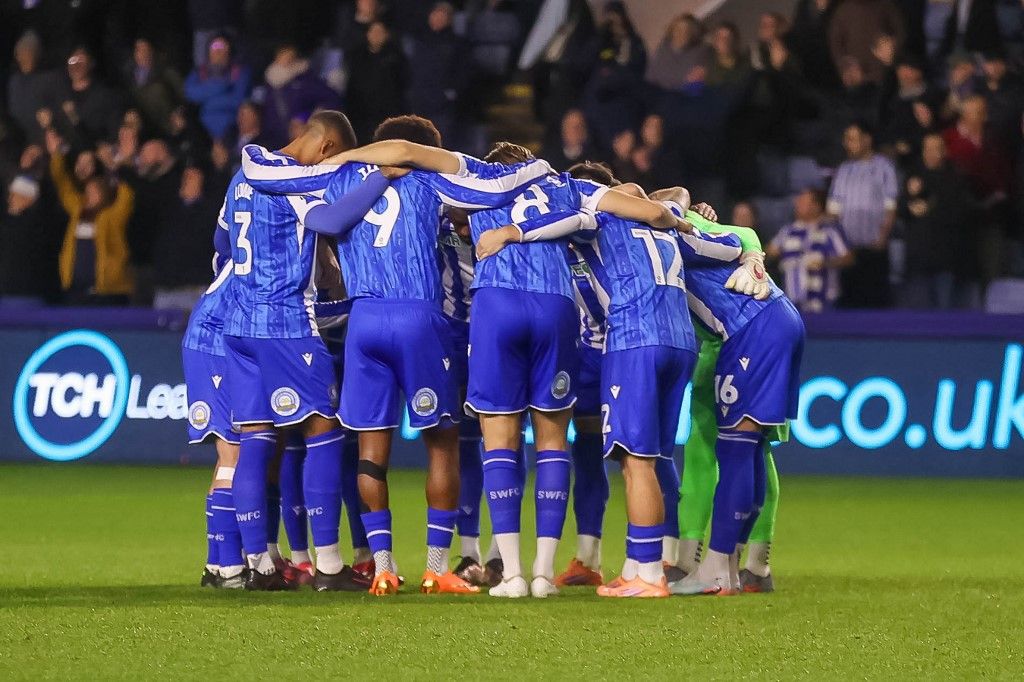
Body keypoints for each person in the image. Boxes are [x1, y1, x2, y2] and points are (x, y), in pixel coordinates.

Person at [246, 116, 553, 596]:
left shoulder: (341, 176)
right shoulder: (434, 178)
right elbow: (491, 195)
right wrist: (539, 175)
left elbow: (319, 221)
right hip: (419, 317)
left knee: (371, 449)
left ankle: (384, 568)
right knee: (442, 441)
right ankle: (435, 567)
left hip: (364, 322)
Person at [464, 143, 688, 598]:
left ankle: (645, 557)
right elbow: (672, 199)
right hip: (589, 347)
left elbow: (666, 197)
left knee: (624, 455)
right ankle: (590, 556)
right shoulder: (579, 230)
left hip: (610, 349)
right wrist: (672, 209)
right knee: (606, 453)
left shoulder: (587, 227)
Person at [218, 111, 391, 591]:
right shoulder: (295, 179)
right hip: (285, 324)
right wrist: (380, 177)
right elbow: (331, 219)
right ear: (328, 148)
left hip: (238, 324)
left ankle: (261, 566)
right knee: (323, 431)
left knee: (255, 441)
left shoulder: (241, 178)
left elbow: (221, 241)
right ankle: (331, 566)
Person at [667, 207, 805, 596]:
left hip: (749, 330)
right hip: (777, 316)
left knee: (737, 452)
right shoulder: (684, 228)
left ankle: (716, 567)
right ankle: (728, 566)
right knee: (752, 449)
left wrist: (754, 256)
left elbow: (740, 236)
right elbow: (737, 235)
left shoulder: (669, 237)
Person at [184, 258, 246, 589]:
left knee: (227, 455)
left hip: (208, 337)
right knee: (233, 454)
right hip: (216, 343)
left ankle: (217, 564)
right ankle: (233, 569)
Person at [47, 131, 134, 304]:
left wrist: (119, 164)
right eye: (88, 192)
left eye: (94, 192)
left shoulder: (112, 216)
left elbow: (127, 195)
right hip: (75, 290)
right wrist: (56, 156)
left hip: (107, 292)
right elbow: (63, 186)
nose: (89, 195)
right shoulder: (77, 211)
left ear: (104, 194)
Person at [827, 121, 898, 307]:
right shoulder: (843, 170)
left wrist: (882, 238)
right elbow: (833, 211)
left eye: (852, 139)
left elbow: (891, 206)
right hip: (848, 252)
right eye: (846, 139)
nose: (847, 144)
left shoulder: (884, 167)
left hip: (874, 250)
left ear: (867, 139)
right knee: (849, 304)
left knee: (876, 303)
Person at [768, 188, 854, 313]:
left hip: (824, 301)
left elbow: (848, 258)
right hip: (793, 302)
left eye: (803, 202)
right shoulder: (787, 231)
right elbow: (770, 252)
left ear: (816, 206)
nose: (798, 205)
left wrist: (824, 263)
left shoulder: (830, 231)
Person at [257, 44, 339, 149]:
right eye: (282, 56)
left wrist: (306, 119)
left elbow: (331, 98)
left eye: (289, 57)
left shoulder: (305, 79)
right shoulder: (270, 81)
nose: (285, 60)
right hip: (275, 140)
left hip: (301, 139)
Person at [344, 21, 408, 145]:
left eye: (380, 32)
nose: (376, 35)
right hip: (360, 113)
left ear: (387, 35)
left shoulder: (396, 57)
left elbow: (402, 84)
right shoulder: (357, 56)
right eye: (373, 31)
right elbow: (351, 85)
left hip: (387, 114)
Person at [184, 36, 251, 141]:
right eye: (215, 46)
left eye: (223, 47)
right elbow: (191, 94)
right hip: (202, 128)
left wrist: (206, 103)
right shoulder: (199, 72)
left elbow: (237, 100)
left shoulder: (240, 72)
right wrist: (221, 86)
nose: (219, 51)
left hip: (231, 125)